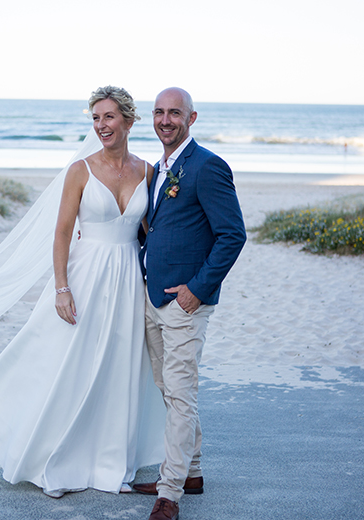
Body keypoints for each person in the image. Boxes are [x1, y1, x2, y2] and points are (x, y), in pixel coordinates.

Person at [0, 86, 165, 498]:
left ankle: (106, 462)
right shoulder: (80, 170)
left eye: (109, 117)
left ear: (129, 121)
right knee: (65, 364)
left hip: (127, 280)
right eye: (96, 118)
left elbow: (151, 233)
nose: (101, 126)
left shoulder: (148, 171)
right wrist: (61, 288)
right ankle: (51, 461)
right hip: (82, 277)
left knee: (117, 369)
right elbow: (62, 233)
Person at [134, 88, 246, 520]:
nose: (165, 120)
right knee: (168, 389)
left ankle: (170, 492)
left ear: (191, 118)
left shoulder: (208, 166)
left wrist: (196, 290)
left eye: (174, 113)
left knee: (181, 393)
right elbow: (157, 227)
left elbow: (232, 235)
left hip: (185, 303)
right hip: (152, 296)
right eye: (159, 112)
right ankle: (192, 472)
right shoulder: (159, 169)